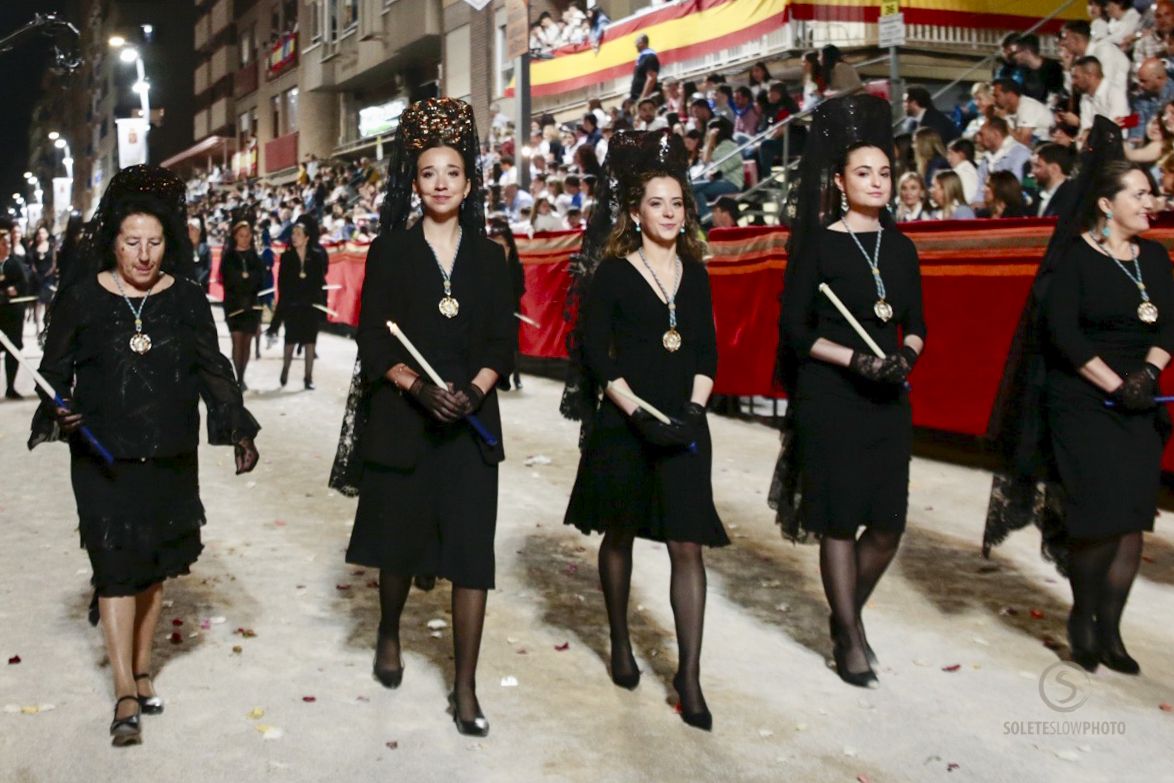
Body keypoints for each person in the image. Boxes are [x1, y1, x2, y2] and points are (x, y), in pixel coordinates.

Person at [28, 165, 259, 746]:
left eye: (154, 242)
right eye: (132, 241)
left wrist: (237, 428)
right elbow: (51, 375)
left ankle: (144, 666)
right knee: (114, 567)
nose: (144, 253)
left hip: (169, 454)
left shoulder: (183, 297)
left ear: (169, 243)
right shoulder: (81, 298)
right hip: (102, 456)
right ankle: (125, 691)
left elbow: (214, 368)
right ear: (113, 242)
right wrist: (62, 407)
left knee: (153, 567)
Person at [330, 97, 515, 738]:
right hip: (404, 420)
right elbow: (374, 341)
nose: (441, 183)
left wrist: (474, 389)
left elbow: (500, 344)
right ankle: (388, 630)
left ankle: (464, 687)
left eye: (453, 173)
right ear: (416, 182)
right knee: (400, 546)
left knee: (470, 555)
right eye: (430, 173)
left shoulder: (492, 258)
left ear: (469, 183)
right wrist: (416, 387)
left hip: (470, 423)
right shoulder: (390, 251)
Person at [984, 118, 1172, 678]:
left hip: (1141, 399)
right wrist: (1117, 385)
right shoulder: (1074, 259)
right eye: (1139, 194)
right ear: (1106, 203)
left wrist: (1147, 375)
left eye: (1151, 193)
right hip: (1084, 401)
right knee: (1096, 518)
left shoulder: (1156, 259)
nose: (1151, 202)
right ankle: (1084, 617)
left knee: (1132, 520)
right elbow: (1063, 335)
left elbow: (1169, 326)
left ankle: (1111, 630)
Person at [563, 130, 727, 731]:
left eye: (676, 203)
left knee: (688, 544)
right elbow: (594, 356)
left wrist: (694, 411)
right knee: (621, 534)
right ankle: (620, 640)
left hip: (684, 420)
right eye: (656, 204)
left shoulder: (697, 273)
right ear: (635, 212)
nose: (667, 214)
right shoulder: (611, 274)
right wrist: (633, 410)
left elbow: (707, 352)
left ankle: (689, 675)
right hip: (625, 421)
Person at [771, 95, 925, 689]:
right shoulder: (818, 244)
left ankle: (843, 616)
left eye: (885, 172)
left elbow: (918, 324)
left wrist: (903, 356)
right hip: (831, 394)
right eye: (864, 172)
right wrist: (856, 358)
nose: (877, 182)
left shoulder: (903, 247)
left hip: (889, 396)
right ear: (839, 181)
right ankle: (851, 637)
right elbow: (796, 330)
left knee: (887, 525)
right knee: (838, 520)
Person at [268, 214, 327, 389]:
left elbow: (319, 281)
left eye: (298, 234)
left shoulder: (316, 256)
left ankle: (308, 378)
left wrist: (314, 301)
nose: (294, 236)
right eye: (293, 233)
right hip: (293, 305)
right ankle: (285, 369)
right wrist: (288, 303)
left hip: (310, 306)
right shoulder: (286, 257)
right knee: (290, 340)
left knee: (310, 341)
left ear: (307, 237)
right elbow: (283, 284)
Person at [220, 220, 265, 390]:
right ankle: (237, 378)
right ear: (235, 237)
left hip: (252, 306)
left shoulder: (256, 258)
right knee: (237, 340)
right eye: (241, 236)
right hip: (234, 305)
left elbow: (260, 281)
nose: (244, 239)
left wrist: (246, 281)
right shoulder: (229, 257)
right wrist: (245, 281)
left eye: (247, 236)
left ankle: (242, 376)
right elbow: (229, 281)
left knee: (247, 343)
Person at [489, 216, 526, 391]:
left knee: (512, 344)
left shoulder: (515, 266)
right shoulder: (486, 265)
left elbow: (520, 288)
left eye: (502, 245)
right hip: (491, 310)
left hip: (511, 310)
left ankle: (515, 375)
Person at [0, 223, 31, 398]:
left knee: (12, 349)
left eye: (9, 243)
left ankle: (10, 387)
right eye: (4, 243)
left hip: (12, 313)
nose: (8, 246)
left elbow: (25, 283)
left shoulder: (14, 263)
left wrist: (15, 289)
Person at [694, 117, 744, 220]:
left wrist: (711, 139)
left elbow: (706, 160)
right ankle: (707, 219)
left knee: (690, 188)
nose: (707, 134)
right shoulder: (719, 146)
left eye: (709, 132)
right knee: (696, 191)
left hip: (731, 183)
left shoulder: (727, 145)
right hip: (721, 181)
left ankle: (707, 221)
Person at [974, 117, 1031, 204]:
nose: (978, 139)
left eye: (982, 134)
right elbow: (978, 187)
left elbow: (1013, 189)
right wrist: (977, 203)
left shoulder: (1020, 154)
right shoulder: (986, 159)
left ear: (996, 134)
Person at [992, 78, 1054, 145]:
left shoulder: (1027, 106)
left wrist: (1004, 122)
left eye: (997, 96)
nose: (994, 100)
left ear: (1009, 95)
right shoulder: (1006, 112)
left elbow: (1024, 141)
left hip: (1046, 145)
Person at [1012, 33, 1066, 104]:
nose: (1014, 56)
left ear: (1027, 52)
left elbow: (1058, 94)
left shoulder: (1053, 68)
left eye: (1016, 52)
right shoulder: (1021, 70)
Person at [1032, 143, 1078, 217]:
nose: (1033, 171)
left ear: (1054, 169)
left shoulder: (1072, 197)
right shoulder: (1037, 196)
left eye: (1038, 166)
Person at [28, 225, 56, 337]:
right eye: (39, 233)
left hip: (48, 278)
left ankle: (46, 326)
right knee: (37, 303)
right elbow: (32, 263)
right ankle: (37, 326)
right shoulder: (33, 247)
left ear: (47, 234)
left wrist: (48, 274)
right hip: (37, 278)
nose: (41, 235)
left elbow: (54, 263)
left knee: (48, 303)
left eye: (43, 232)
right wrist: (36, 274)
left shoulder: (51, 247)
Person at [946, 137, 980, 203]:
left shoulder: (960, 173)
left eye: (951, 153)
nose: (948, 157)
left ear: (961, 155)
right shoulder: (972, 170)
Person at [630, 34, 660, 101]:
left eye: (636, 42)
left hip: (646, 99)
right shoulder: (641, 58)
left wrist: (643, 98)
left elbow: (651, 78)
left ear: (642, 43)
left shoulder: (649, 56)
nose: (635, 45)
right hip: (637, 98)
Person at [187, 218, 211, 292]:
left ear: (199, 231)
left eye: (192, 229)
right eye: (188, 229)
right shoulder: (185, 248)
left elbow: (208, 267)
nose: (189, 232)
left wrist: (199, 280)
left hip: (202, 285)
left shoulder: (205, 248)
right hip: (188, 284)